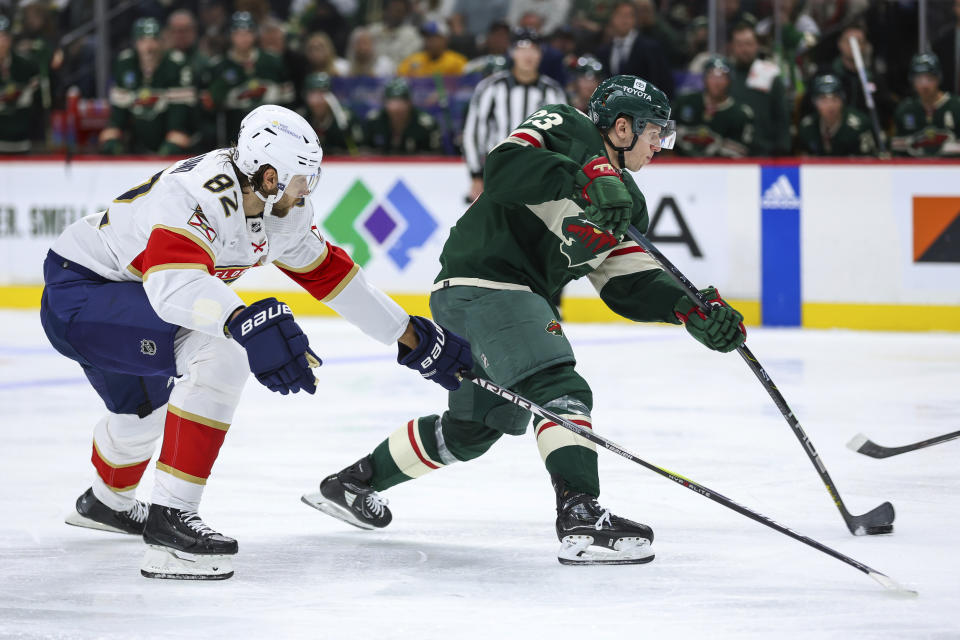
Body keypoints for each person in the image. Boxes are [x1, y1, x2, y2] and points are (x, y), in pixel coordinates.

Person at [302, 76, 747, 565]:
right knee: (558, 386)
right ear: (623, 128)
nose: (661, 145)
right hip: (486, 283)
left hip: (489, 299)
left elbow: (624, 284)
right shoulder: (565, 124)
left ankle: (351, 484)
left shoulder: (628, 201)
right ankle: (580, 516)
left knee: (474, 428)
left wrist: (686, 308)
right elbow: (503, 169)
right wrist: (585, 176)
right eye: (655, 132)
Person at [40, 105, 471, 580]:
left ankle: (105, 503)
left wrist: (408, 335)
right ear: (268, 176)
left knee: (141, 416)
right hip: (83, 296)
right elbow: (172, 288)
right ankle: (170, 526)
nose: (308, 189)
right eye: (301, 178)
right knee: (218, 351)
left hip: (125, 300)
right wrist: (241, 321)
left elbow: (330, 274)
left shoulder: (280, 208)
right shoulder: (195, 195)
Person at [461, 28, 566, 201]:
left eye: (533, 49)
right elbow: (474, 133)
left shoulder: (552, 91)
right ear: (512, 53)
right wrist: (476, 175)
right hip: (498, 173)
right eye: (522, 49)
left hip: (541, 176)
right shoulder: (491, 88)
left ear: (541, 54)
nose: (528, 55)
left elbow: (563, 136)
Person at [98, 17, 195, 156]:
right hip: (137, 139)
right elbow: (117, 118)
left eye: (154, 40)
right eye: (143, 40)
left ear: (162, 41)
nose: (149, 47)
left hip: (169, 135)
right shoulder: (125, 64)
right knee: (107, 139)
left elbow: (179, 122)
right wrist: (113, 140)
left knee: (176, 142)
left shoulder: (176, 65)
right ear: (135, 43)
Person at [205, 12, 293, 143]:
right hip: (234, 137)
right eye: (238, 34)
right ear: (231, 35)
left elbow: (288, 102)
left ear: (255, 34)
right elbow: (211, 106)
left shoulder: (272, 61)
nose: (243, 38)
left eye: (248, 33)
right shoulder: (219, 66)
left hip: (273, 135)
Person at [727, 21, 790, 156]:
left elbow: (782, 116)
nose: (744, 49)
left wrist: (782, 149)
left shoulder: (770, 74)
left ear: (757, 45)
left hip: (764, 151)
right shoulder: (724, 75)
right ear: (732, 47)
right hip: (729, 151)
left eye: (749, 44)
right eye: (739, 44)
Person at [673, 55, 755, 158]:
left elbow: (741, 152)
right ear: (704, 79)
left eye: (722, 77)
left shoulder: (741, 114)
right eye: (712, 76)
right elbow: (663, 135)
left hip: (720, 170)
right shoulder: (686, 102)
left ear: (729, 80)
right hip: (679, 166)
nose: (716, 82)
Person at [892, 53, 960, 157]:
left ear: (938, 78)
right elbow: (898, 153)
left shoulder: (956, 106)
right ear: (912, 81)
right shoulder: (905, 110)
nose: (924, 85)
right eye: (919, 79)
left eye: (929, 78)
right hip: (913, 171)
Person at [797, 74, 875, 156]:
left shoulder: (860, 126)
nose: (830, 106)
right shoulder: (807, 127)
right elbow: (803, 160)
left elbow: (868, 162)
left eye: (835, 99)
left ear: (842, 100)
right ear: (815, 103)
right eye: (823, 100)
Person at [360, 77, 441, 154]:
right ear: (385, 103)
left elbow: (435, 155)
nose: (397, 108)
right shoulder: (373, 120)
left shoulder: (427, 124)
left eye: (402, 101)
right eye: (392, 101)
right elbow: (363, 151)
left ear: (410, 102)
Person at [0, 14, 41, 153]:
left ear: (10, 40)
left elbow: (36, 100)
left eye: (4, 37)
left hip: (21, 142)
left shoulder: (26, 66)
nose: (1, 42)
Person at [300, 72, 360, 155]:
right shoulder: (300, 119)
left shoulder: (345, 120)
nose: (317, 100)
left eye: (322, 93)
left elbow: (356, 151)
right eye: (313, 94)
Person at [397, 20, 468, 77]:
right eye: (426, 37)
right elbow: (399, 78)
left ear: (445, 39)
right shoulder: (413, 60)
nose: (428, 41)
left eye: (433, 37)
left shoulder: (457, 62)